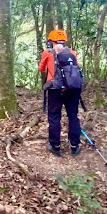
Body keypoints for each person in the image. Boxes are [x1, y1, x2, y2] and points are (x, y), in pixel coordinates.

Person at [39, 29, 82, 157]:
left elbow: (41, 69)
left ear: (51, 41)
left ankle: (55, 146)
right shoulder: (72, 53)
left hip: (55, 89)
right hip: (72, 89)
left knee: (54, 117)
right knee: (73, 116)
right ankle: (74, 146)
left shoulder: (48, 52)